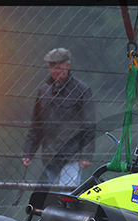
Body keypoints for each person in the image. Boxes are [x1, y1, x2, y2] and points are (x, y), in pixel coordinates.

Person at [22, 47, 95, 187]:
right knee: (53, 196)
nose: (53, 70)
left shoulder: (81, 90)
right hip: (50, 155)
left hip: (72, 155)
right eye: (51, 66)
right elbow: (36, 125)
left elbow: (89, 124)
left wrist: (86, 155)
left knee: (66, 195)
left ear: (67, 66)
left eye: (57, 66)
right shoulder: (44, 91)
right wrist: (29, 151)